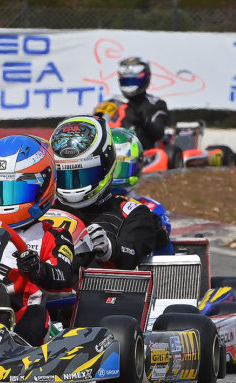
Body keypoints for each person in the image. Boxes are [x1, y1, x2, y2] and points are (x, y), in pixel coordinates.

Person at [0, 134, 75, 346]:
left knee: (35, 315)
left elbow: (63, 277)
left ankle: (14, 349)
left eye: (16, 191)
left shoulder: (55, 236)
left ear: (43, 187)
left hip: (24, 321)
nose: (4, 203)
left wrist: (36, 268)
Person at [50, 115, 165, 270]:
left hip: (101, 291)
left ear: (105, 166)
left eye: (83, 175)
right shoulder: (46, 213)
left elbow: (131, 252)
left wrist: (109, 250)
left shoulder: (133, 213)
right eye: (65, 176)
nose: (73, 185)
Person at [110, 127, 173, 255]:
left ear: (138, 165)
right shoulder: (86, 207)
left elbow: (165, 255)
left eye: (121, 168)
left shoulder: (153, 209)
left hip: (141, 270)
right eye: (112, 169)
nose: (116, 175)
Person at [115, 56, 168, 150]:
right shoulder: (114, 102)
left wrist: (143, 120)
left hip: (141, 150)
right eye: (127, 81)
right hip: (112, 148)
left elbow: (159, 133)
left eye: (133, 81)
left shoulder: (156, 104)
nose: (130, 84)